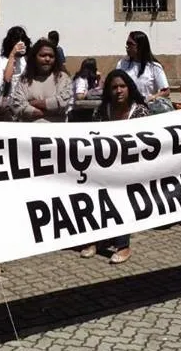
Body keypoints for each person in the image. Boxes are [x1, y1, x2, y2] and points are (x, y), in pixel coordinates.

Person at [80, 70, 150, 264]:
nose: (118, 91)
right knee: (93, 195)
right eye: (114, 87)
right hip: (105, 166)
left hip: (132, 168)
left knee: (120, 196)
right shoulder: (102, 111)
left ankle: (122, 245)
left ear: (129, 88)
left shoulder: (140, 111)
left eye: (122, 86)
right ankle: (97, 239)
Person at [10, 38, 72, 123]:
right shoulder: (24, 80)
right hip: (29, 132)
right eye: (43, 55)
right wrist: (50, 109)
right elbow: (18, 106)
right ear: (34, 57)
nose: (47, 59)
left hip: (56, 132)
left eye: (51, 56)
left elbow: (62, 102)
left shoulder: (62, 78)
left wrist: (32, 103)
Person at [117, 31, 171, 105]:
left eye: (131, 44)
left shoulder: (154, 67)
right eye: (127, 44)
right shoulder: (122, 64)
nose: (127, 47)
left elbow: (165, 91)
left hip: (146, 108)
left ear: (140, 46)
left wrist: (151, 98)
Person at [0, 26, 30, 107]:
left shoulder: (27, 59)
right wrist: (12, 54)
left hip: (24, 100)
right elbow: (7, 78)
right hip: (9, 100)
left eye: (22, 40)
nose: (20, 42)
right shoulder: (3, 59)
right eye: (17, 40)